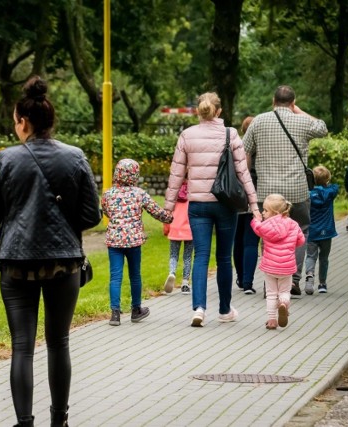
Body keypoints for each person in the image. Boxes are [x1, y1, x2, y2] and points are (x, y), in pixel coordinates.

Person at [0, 76, 101, 427]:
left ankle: (24, 423)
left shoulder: (5, 160)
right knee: (59, 342)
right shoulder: (75, 157)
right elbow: (92, 216)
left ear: (23, 122)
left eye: (15, 121)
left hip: (15, 264)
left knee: (22, 348)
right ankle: (59, 421)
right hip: (64, 264)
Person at [165, 92, 259, 327]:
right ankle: (225, 310)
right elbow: (242, 173)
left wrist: (168, 208)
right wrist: (254, 205)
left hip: (197, 205)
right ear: (219, 111)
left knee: (201, 256)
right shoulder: (231, 134)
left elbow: (176, 174)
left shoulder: (187, 135)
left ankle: (198, 308)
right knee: (224, 258)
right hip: (225, 204)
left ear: (199, 111)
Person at [243, 85, 328, 296]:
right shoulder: (302, 121)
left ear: (273, 101)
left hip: (267, 191)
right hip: (296, 190)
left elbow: (244, 152)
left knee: (268, 234)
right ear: (293, 102)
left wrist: (247, 184)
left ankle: (270, 279)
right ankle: (293, 279)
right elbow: (322, 128)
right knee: (301, 230)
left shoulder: (258, 122)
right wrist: (298, 111)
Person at [102, 159, 173, 325]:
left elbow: (106, 211)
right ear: (135, 175)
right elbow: (155, 211)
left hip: (114, 241)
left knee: (115, 276)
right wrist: (169, 218)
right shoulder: (139, 193)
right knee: (135, 275)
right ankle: (136, 310)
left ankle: (115, 314)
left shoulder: (108, 194)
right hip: (134, 241)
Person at [250, 194, 305, 329]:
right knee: (285, 291)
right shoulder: (293, 224)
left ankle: (272, 320)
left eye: (265, 210)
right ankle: (284, 303)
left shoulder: (265, 226)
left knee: (271, 293)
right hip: (287, 266)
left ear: (274, 212)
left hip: (270, 266)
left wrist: (255, 220)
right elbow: (301, 240)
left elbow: (258, 229)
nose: (263, 213)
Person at [233, 115, 260, 294]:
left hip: (237, 197)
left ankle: (241, 278)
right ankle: (249, 283)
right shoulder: (264, 150)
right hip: (257, 196)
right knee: (251, 241)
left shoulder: (236, 146)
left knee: (238, 239)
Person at [305, 166, 339, 295]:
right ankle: (322, 283)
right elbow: (335, 187)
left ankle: (309, 276)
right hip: (327, 231)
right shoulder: (330, 192)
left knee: (310, 256)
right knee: (324, 258)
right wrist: (326, 183)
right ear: (327, 180)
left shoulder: (308, 194)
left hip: (312, 231)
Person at [163, 179, 193, 295]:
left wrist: (166, 228)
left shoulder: (172, 192)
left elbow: (167, 211)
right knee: (187, 256)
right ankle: (185, 283)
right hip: (189, 229)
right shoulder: (193, 191)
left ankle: (172, 272)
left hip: (175, 227)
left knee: (173, 254)